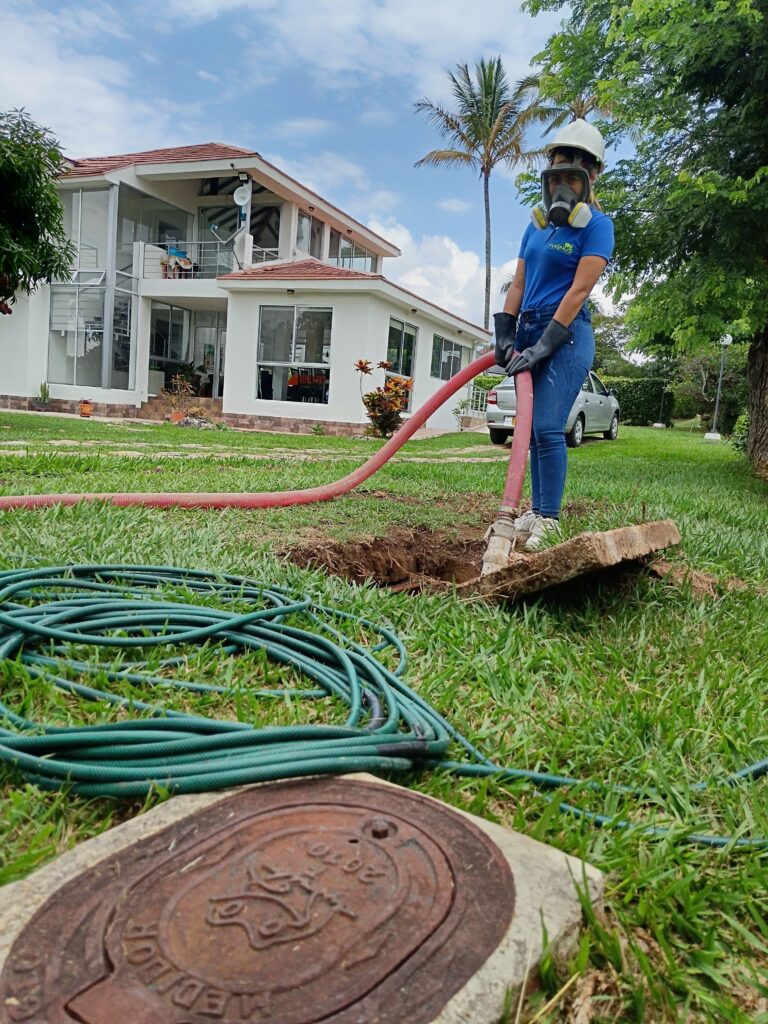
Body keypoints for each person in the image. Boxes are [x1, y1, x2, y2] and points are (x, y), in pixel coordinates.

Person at [493, 119, 614, 551]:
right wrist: (505, 333)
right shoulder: (537, 227)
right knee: (527, 428)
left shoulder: (598, 226)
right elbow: (520, 284)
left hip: (567, 335)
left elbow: (580, 290)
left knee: (547, 426)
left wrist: (546, 343)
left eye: (572, 177)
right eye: (556, 176)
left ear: (591, 177)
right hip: (528, 329)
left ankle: (550, 517)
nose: (562, 185)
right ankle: (535, 509)